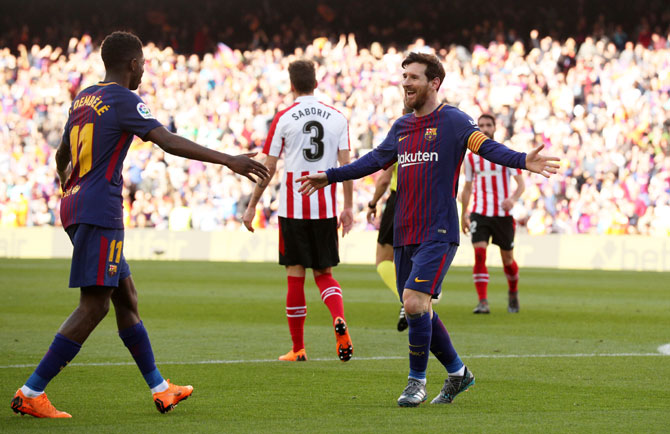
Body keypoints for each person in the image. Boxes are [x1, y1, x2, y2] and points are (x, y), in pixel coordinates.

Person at [10, 31, 270, 419]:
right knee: (95, 305)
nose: (145, 70)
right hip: (100, 210)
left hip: (76, 204)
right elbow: (166, 141)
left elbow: (62, 152)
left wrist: (68, 181)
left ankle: (161, 389)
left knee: (125, 296)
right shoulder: (124, 98)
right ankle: (32, 390)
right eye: (144, 63)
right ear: (132, 64)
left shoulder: (84, 97)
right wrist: (228, 159)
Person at [297, 52, 559, 407]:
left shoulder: (452, 120)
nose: (406, 83)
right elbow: (373, 160)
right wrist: (330, 175)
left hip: (438, 230)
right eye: (404, 76)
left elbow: (485, 146)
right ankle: (458, 372)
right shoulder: (402, 127)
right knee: (422, 310)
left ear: (434, 83)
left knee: (413, 302)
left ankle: (415, 382)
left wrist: (521, 160)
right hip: (405, 231)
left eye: (414, 77)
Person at [242, 59, 354, 363]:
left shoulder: (283, 118)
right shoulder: (337, 118)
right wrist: (348, 207)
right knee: (324, 274)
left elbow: (268, 168)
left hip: (293, 209)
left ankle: (298, 348)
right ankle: (338, 318)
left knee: (295, 276)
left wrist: (252, 206)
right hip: (325, 207)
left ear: (291, 85)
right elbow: (347, 167)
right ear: (316, 83)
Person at [461, 114, 525, 314]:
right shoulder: (471, 157)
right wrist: (464, 213)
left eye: (488, 125)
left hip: (502, 215)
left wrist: (512, 199)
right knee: (479, 254)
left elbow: (521, 185)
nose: (485, 128)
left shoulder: (505, 154)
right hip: (480, 213)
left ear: (495, 128)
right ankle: (483, 301)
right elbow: (467, 187)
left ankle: (513, 292)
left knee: (508, 260)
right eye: (481, 125)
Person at [366, 163, 408, 331]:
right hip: (426, 203)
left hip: (400, 200)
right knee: (411, 255)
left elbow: (384, 180)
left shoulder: (399, 137)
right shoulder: (434, 139)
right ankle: (422, 294)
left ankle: (410, 299)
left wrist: (372, 203)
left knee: (383, 260)